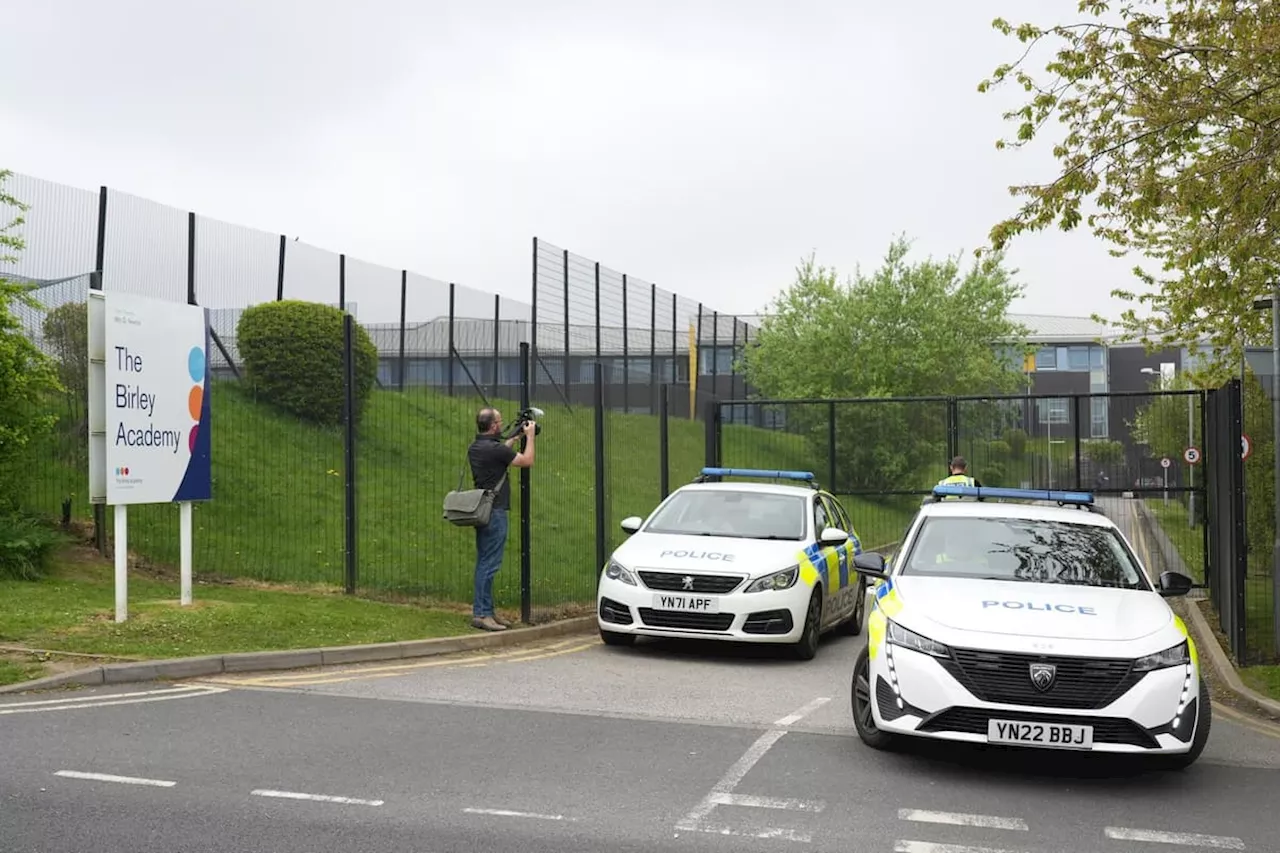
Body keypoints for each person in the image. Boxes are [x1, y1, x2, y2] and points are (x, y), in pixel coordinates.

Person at [467, 407, 536, 631]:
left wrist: (514, 438)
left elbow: (500, 455)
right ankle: (481, 614)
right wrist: (530, 437)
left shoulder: (476, 447)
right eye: (500, 421)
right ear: (494, 426)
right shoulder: (495, 450)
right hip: (495, 511)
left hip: (482, 510)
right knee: (489, 564)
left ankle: (487, 611)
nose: (501, 423)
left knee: (484, 561)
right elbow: (527, 460)